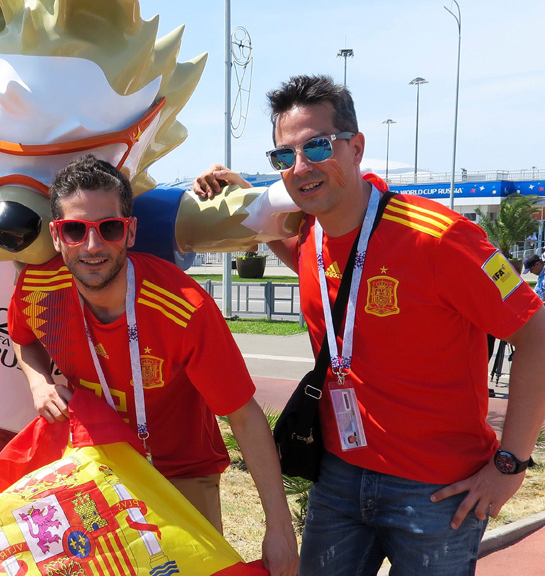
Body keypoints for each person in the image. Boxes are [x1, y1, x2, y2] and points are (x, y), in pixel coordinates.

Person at [193, 74, 545, 576]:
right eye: (284, 156)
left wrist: (510, 464)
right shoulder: (311, 239)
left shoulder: (438, 238)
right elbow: (303, 254)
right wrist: (240, 189)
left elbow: (537, 337)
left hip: (438, 489)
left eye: (318, 146)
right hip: (339, 475)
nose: (301, 167)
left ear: (356, 147)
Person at [7, 154, 298, 576]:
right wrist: (38, 383)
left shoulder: (184, 308)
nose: (92, 246)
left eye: (109, 228)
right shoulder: (38, 288)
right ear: (56, 235)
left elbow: (244, 415)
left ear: (130, 231)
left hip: (182, 472)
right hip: (98, 466)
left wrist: (280, 527)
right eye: (75, 230)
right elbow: (23, 339)